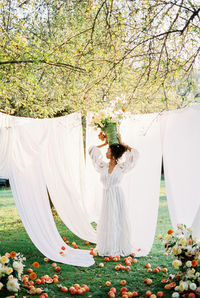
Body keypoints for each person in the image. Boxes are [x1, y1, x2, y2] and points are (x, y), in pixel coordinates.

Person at [88, 130, 139, 257]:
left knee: (117, 220)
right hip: (106, 197)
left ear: (113, 153)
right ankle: (107, 246)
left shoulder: (122, 167)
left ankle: (118, 246)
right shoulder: (103, 166)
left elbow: (135, 155)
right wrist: (105, 143)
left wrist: (122, 143)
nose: (106, 152)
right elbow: (91, 150)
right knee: (107, 220)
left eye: (108, 150)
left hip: (117, 196)